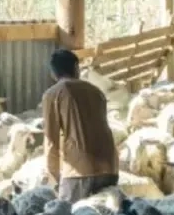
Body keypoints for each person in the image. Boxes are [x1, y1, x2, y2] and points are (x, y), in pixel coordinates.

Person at [41, 48, 119, 202]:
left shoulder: (54, 94)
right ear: (76, 68)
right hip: (110, 167)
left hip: (79, 171)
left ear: (53, 73)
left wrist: (55, 177)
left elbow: (51, 141)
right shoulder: (96, 92)